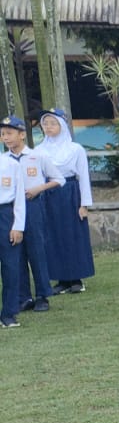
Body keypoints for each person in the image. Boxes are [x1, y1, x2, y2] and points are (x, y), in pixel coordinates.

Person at [0, 116, 62, 313]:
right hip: (11, 209)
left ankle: (43, 294)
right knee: (15, 252)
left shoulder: (37, 156)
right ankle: (23, 296)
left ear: (22, 135)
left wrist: (39, 188)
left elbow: (58, 179)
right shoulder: (4, 160)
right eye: (3, 134)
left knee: (36, 250)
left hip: (32, 206)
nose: (6, 138)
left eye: (9, 133)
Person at [35, 109, 94, 294]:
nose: (49, 127)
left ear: (62, 125)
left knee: (72, 234)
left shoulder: (75, 149)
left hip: (70, 193)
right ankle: (61, 279)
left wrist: (84, 204)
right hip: (48, 195)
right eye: (45, 124)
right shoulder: (39, 150)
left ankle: (76, 278)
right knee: (52, 236)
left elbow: (83, 177)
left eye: (53, 123)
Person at [0, 127, 26, 329]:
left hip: (5, 215)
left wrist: (18, 226)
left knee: (10, 267)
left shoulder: (10, 164)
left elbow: (19, 199)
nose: (4, 137)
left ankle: (8, 313)